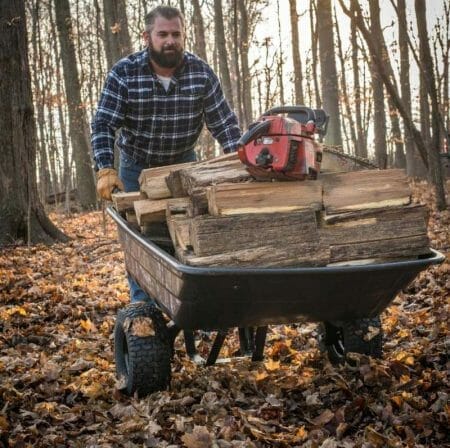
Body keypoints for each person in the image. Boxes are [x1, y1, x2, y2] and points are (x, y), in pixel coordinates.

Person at [91, 5, 241, 304]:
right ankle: (142, 310)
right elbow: (104, 123)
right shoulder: (125, 73)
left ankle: (186, 301)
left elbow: (224, 124)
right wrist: (106, 168)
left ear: (183, 36)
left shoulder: (200, 74)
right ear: (147, 36)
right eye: (162, 34)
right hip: (137, 168)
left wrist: (240, 163)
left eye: (176, 34)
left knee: (187, 235)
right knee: (141, 241)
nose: (170, 40)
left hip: (183, 165)